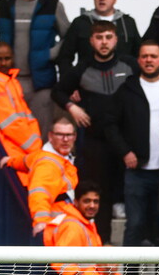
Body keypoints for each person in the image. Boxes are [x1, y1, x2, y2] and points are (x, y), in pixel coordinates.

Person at [50, 20, 132, 241]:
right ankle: (102, 246)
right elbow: (57, 92)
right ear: (91, 41)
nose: (104, 42)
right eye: (99, 37)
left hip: (127, 143)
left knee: (132, 198)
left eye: (108, 37)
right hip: (96, 143)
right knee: (100, 197)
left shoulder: (130, 65)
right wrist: (73, 108)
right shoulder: (82, 68)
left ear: (116, 39)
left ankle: (136, 255)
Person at [107, 40, 159, 247]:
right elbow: (110, 125)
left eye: (154, 56)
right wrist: (125, 152)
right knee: (135, 225)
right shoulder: (127, 90)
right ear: (138, 60)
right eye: (145, 56)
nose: (149, 60)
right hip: (137, 171)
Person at [0, 0, 68, 135]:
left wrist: (50, 54)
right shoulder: (6, 3)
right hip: (8, 83)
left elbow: (67, 37)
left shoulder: (52, 5)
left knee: (42, 136)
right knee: (11, 136)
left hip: (41, 85)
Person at [0, 42, 41, 185]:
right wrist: (35, 148)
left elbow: (25, 117)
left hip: (20, 149)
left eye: (7, 58)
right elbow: (11, 124)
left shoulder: (8, 81)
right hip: (9, 150)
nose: (4, 63)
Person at [55, 0, 138, 69]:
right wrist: (70, 80)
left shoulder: (128, 22)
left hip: (124, 80)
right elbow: (65, 57)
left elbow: (139, 54)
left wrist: (134, 79)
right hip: (88, 81)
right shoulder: (80, 22)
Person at [27, 116, 78, 234]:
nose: (65, 139)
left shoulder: (59, 157)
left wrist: (10, 161)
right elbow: (39, 193)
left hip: (65, 223)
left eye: (69, 135)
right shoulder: (47, 164)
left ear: (74, 137)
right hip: (56, 227)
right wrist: (41, 221)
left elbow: (26, 160)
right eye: (60, 135)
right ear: (50, 136)